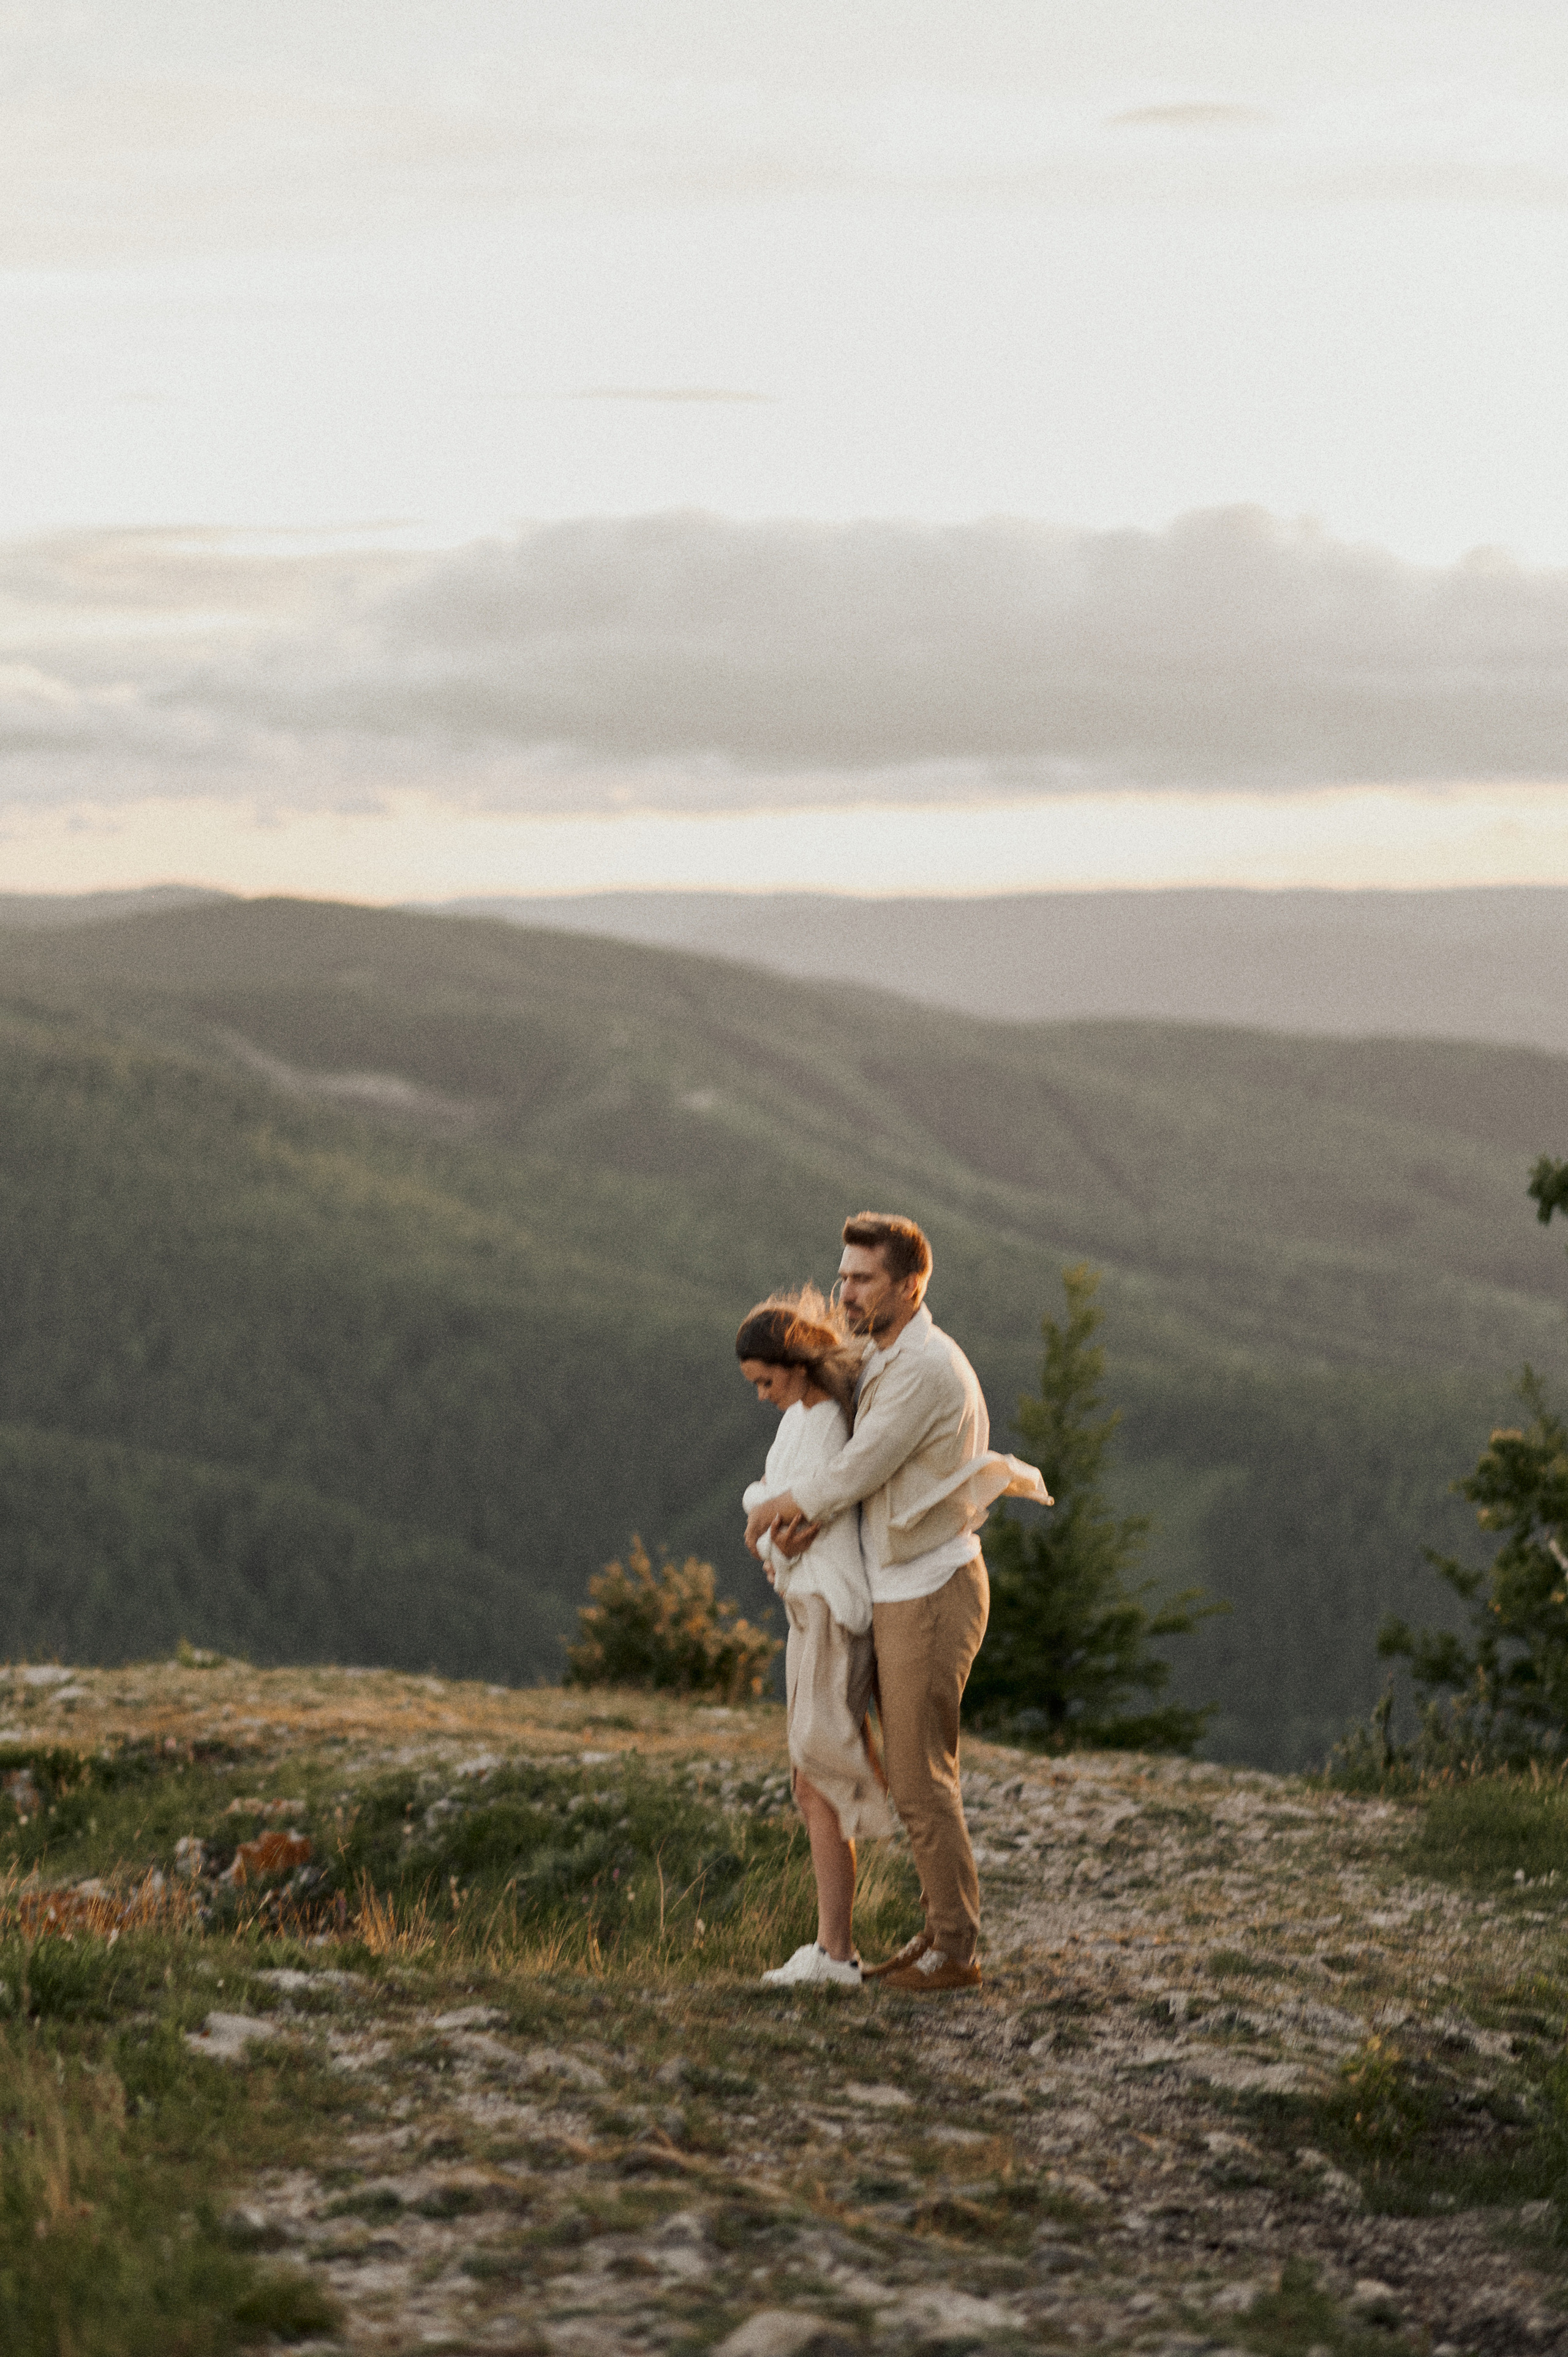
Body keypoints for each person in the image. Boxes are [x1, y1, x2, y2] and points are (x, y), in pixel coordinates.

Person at [745, 1213, 1049, 1994]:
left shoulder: (924, 1369)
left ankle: (953, 1951)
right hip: (893, 1590)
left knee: (918, 1778)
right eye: (842, 1275)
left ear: (909, 1285)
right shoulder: (881, 1351)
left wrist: (770, 1509)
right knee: (900, 1770)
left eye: (861, 1279)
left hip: (928, 1592)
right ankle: (921, 1932)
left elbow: (856, 1469)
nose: (844, 1291)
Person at [736, 1286, 894, 1989]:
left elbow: (797, 1521)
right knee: (810, 1778)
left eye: (766, 1381)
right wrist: (770, 1518)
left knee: (819, 1777)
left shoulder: (826, 1420)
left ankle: (836, 1953)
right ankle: (831, 1948)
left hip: (830, 1607)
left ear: (796, 1366)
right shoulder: (800, 1417)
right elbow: (775, 1504)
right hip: (809, 1607)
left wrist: (772, 1522)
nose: (762, 1395)